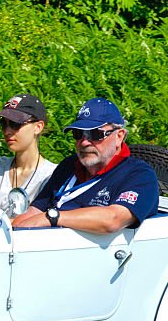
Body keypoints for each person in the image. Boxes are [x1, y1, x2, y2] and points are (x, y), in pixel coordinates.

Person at [12, 98, 158, 233]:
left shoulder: (138, 175)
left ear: (119, 136)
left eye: (95, 134)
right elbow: (33, 213)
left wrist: (51, 217)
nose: (84, 142)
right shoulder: (69, 166)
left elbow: (113, 220)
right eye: (78, 134)